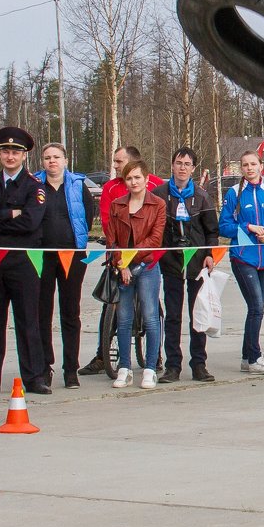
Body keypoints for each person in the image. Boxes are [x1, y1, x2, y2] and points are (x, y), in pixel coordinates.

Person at [0, 126, 50, 396]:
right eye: (5, 151)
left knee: (28, 321)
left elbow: (31, 222)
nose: (10, 156)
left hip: (23, 261)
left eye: (15, 152)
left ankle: (35, 378)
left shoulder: (34, 187)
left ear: (24, 156)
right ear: (0, 154)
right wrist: (10, 214)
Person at [78, 145, 165, 376]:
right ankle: (103, 354)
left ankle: (154, 358)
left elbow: (157, 234)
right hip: (119, 258)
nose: (115, 166)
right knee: (114, 308)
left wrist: (135, 258)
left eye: (119, 162)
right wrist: (121, 260)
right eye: (116, 163)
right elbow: (109, 227)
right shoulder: (110, 189)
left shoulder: (156, 186)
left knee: (151, 312)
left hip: (148, 260)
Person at [154, 148, 218, 383]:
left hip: (196, 261)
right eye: (179, 163)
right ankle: (172, 366)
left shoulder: (202, 196)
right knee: (173, 314)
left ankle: (199, 363)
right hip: (170, 261)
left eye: (187, 164)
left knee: (197, 313)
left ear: (193, 169)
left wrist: (209, 254)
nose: (182, 167)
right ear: (172, 165)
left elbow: (212, 230)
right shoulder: (159, 194)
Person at [33, 143, 94, 389]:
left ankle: (71, 369)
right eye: (47, 157)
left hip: (72, 256)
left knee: (70, 313)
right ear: (42, 161)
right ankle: (44, 366)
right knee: (42, 313)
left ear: (65, 160)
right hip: (42, 256)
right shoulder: (34, 185)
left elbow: (88, 217)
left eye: (56, 157)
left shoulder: (78, 185)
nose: (52, 161)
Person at [103, 160, 165, 389]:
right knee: (124, 318)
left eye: (138, 177)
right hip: (123, 269)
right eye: (129, 178)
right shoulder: (117, 205)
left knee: (150, 317)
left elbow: (155, 240)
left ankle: (149, 368)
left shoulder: (157, 204)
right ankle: (125, 368)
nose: (134, 182)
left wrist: (134, 263)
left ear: (147, 179)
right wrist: (122, 265)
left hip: (147, 266)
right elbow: (112, 239)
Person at [219, 150, 264, 375]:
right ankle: (255, 357)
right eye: (245, 164)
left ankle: (247, 357)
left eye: (253, 164)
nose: (249, 168)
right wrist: (249, 228)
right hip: (242, 257)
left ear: (261, 166)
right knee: (256, 307)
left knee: (257, 309)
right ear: (241, 169)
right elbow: (224, 226)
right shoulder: (234, 193)